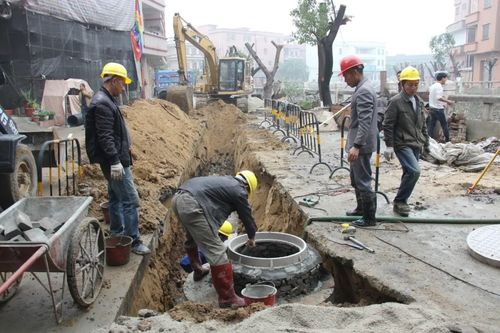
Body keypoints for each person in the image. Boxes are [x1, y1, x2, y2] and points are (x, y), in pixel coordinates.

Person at [85, 62, 151, 255]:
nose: (123, 88)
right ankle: (134, 241)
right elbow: (105, 136)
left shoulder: (106, 99)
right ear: (113, 81)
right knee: (131, 200)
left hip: (116, 160)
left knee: (115, 197)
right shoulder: (102, 103)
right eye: (122, 84)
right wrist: (115, 161)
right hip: (115, 162)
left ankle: (116, 232)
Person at [172, 170, 258, 308]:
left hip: (178, 199)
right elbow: (246, 216)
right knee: (218, 252)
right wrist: (252, 236)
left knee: (192, 237)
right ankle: (227, 298)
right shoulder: (239, 190)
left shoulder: (225, 182)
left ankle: (198, 269)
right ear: (248, 187)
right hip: (191, 203)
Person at [382, 66, 430, 217]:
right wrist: (389, 146)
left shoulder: (419, 102)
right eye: (409, 84)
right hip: (402, 143)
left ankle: (401, 202)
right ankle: (400, 201)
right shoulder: (396, 101)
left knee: (408, 172)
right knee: (414, 171)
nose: (413, 88)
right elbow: (387, 124)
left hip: (415, 142)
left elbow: (422, 124)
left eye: (416, 84)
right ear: (402, 84)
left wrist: (426, 142)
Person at [338, 55, 378, 227]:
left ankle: (369, 218)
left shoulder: (363, 91)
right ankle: (361, 208)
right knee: (356, 178)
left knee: (363, 180)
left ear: (354, 72)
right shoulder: (363, 88)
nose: (345, 81)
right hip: (360, 142)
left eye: (346, 76)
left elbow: (365, 122)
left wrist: (356, 146)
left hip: (361, 144)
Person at [428, 71, 454, 142]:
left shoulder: (432, 86)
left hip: (432, 108)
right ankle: (447, 140)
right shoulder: (439, 86)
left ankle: (429, 139)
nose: (446, 80)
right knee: (444, 125)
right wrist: (448, 101)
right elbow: (439, 97)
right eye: (446, 78)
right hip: (438, 109)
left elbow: (436, 97)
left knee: (432, 124)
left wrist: (443, 102)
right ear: (442, 78)